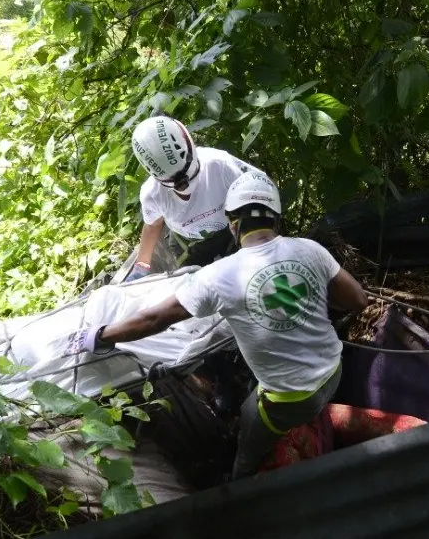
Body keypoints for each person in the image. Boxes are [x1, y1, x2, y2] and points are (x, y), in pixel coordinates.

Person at [64, 172, 371, 478]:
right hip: (333, 369)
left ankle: (239, 481)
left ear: (233, 223)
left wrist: (103, 335)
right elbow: (357, 299)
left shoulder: (218, 276)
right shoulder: (309, 250)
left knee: (248, 440)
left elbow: (155, 318)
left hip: (290, 398)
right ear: (276, 219)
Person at [124, 115, 260, 282]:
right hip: (188, 244)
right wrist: (141, 266)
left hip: (229, 231)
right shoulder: (153, 193)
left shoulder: (219, 164)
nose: (185, 187)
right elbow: (153, 224)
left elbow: (256, 190)